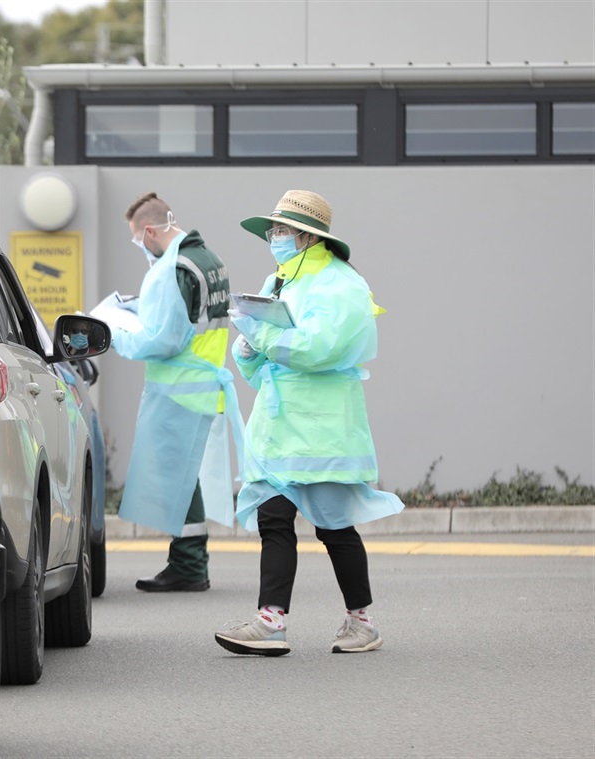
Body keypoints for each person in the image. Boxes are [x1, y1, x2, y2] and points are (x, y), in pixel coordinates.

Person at [214, 190, 404, 656]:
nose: (273, 238)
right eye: (272, 231)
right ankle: (271, 622)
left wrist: (258, 335)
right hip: (281, 422)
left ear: (305, 234)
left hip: (322, 428)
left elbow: (319, 349)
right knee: (273, 516)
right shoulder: (282, 279)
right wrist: (247, 350)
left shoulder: (341, 284)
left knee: (334, 525)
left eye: (279, 231)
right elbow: (268, 361)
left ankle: (361, 622)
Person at [112, 192, 241, 593]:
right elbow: (189, 317)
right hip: (203, 384)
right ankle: (188, 561)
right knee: (186, 477)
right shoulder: (207, 259)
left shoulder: (174, 268)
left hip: (178, 387)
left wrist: (116, 334)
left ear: (149, 230)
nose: (139, 245)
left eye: (137, 238)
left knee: (180, 478)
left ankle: (188, 564)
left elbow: (163, 340)